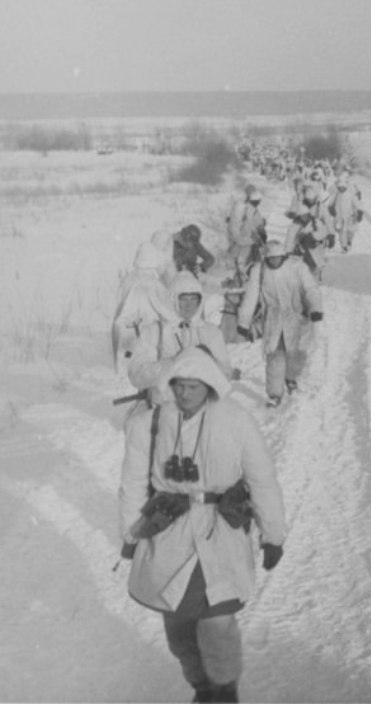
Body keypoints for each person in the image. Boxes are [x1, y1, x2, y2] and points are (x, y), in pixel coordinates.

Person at [118, 347, 286, 703]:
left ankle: (225, 691)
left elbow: (262, 480)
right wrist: (130, 535)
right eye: (179, 385)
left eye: (193, 387)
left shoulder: (236, 421)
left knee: (217, 626)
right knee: (179, 633)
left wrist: (273, 535)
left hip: (219, 534)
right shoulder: (148, 424)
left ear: (208, 385)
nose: (184, 393)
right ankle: (202, 689)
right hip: (169, 537)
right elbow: (132, 484)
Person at [127, 271, 238, 405]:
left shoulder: (211, 332)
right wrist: (171, 365)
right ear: (173, 299)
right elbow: (136, 373)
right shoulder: (154, 332)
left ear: (200, 300)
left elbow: (225, 372)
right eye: (183, 299)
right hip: (163, 406)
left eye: (193, 299)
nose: (189, 305)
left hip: (203, 406)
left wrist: (202, 367)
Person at [236, 240, 323, 407]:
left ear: (284, 257)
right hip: (273, 318)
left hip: (297, 315)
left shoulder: (297, 267)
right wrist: (244, 322)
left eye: (278, 258)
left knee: (296, 353)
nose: (274, 261)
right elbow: (251, 296)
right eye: (271, 259)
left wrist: (315, 308)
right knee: (275, 355)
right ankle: (274, 394)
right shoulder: (259, 270)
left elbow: (310, 288)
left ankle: (291, 377)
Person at [112, 241, 180, 373]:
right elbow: (166, 310)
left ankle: (123, 376)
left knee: (127, 356)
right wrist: (177, 320)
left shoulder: (129, 278)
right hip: (147, 329)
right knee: (146, 362)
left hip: (126, 327)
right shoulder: (154, 284)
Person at [284, 181, 333, 279]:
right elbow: (290, 236)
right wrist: (288, 251)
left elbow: (327, 220)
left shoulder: (320, 208)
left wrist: (331, 235)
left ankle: (316, 271)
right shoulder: (298, 207)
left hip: (315, 239)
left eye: (312, 200)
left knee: (316, 254)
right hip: (301, 242)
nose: (310, 202)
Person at [225, 185, 267, 272]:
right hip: (239, 232)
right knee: (246, 245)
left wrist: (260, 226)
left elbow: (256, 220)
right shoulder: (243, 206)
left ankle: (235, 262)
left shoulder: (248, 207)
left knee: (243, 245)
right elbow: (238, 222)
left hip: (241, 232)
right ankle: (238, 263)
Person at [328, 166, 362, 252]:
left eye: (343, 188)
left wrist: (359, 212)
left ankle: (349, 241)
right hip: (340, 216)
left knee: (350, 230)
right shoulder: (337, 194)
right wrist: (331, 209)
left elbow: (357, 203)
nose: (341, 189)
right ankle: (344, 246)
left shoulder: (350, 193)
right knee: (342, 231)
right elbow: (330, 201)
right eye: (340, 188)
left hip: (349, 215)